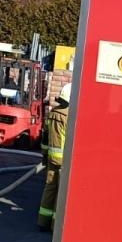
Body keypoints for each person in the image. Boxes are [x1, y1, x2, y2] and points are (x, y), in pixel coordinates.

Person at [38, 82, 71, 231]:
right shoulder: (70, 116)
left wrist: (44, 155)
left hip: (51, 158)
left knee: (50, 188)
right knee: (61, 191)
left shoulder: (52, 113)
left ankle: (43, 220)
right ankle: (55, 225)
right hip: (65, 160)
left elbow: (45, 137)